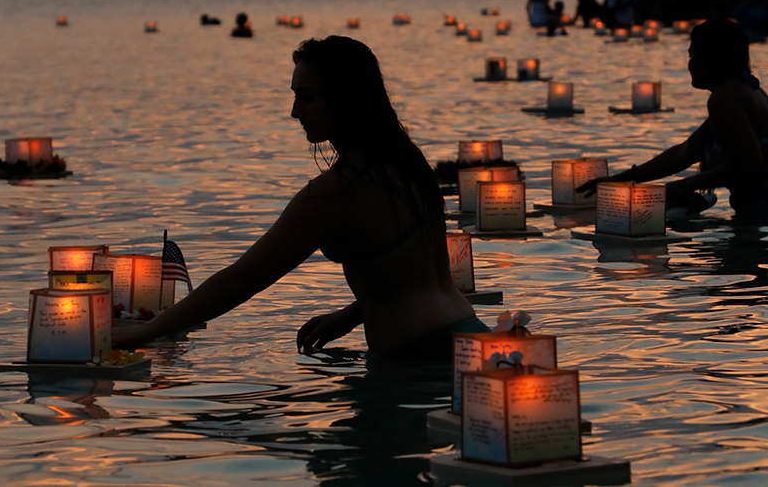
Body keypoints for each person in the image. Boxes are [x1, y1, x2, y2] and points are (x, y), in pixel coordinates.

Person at [113, 36, 487, 360]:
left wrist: (144, 332)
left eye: (306, 97)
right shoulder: (407, 162)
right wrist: (352, 314)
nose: (295, 112)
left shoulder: (336, 193)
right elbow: (414, 274)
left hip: (421, 359)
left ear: (345, 97)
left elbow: (242, 279)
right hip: (468, 337)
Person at [576, 19, 768, 222]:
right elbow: (686, 152)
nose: (689, 64)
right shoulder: (745, 89)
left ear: (710, 56)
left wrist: (688, 184)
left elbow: (750, 162)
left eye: (691, 55)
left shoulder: (726, 97)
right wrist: (620, 180)